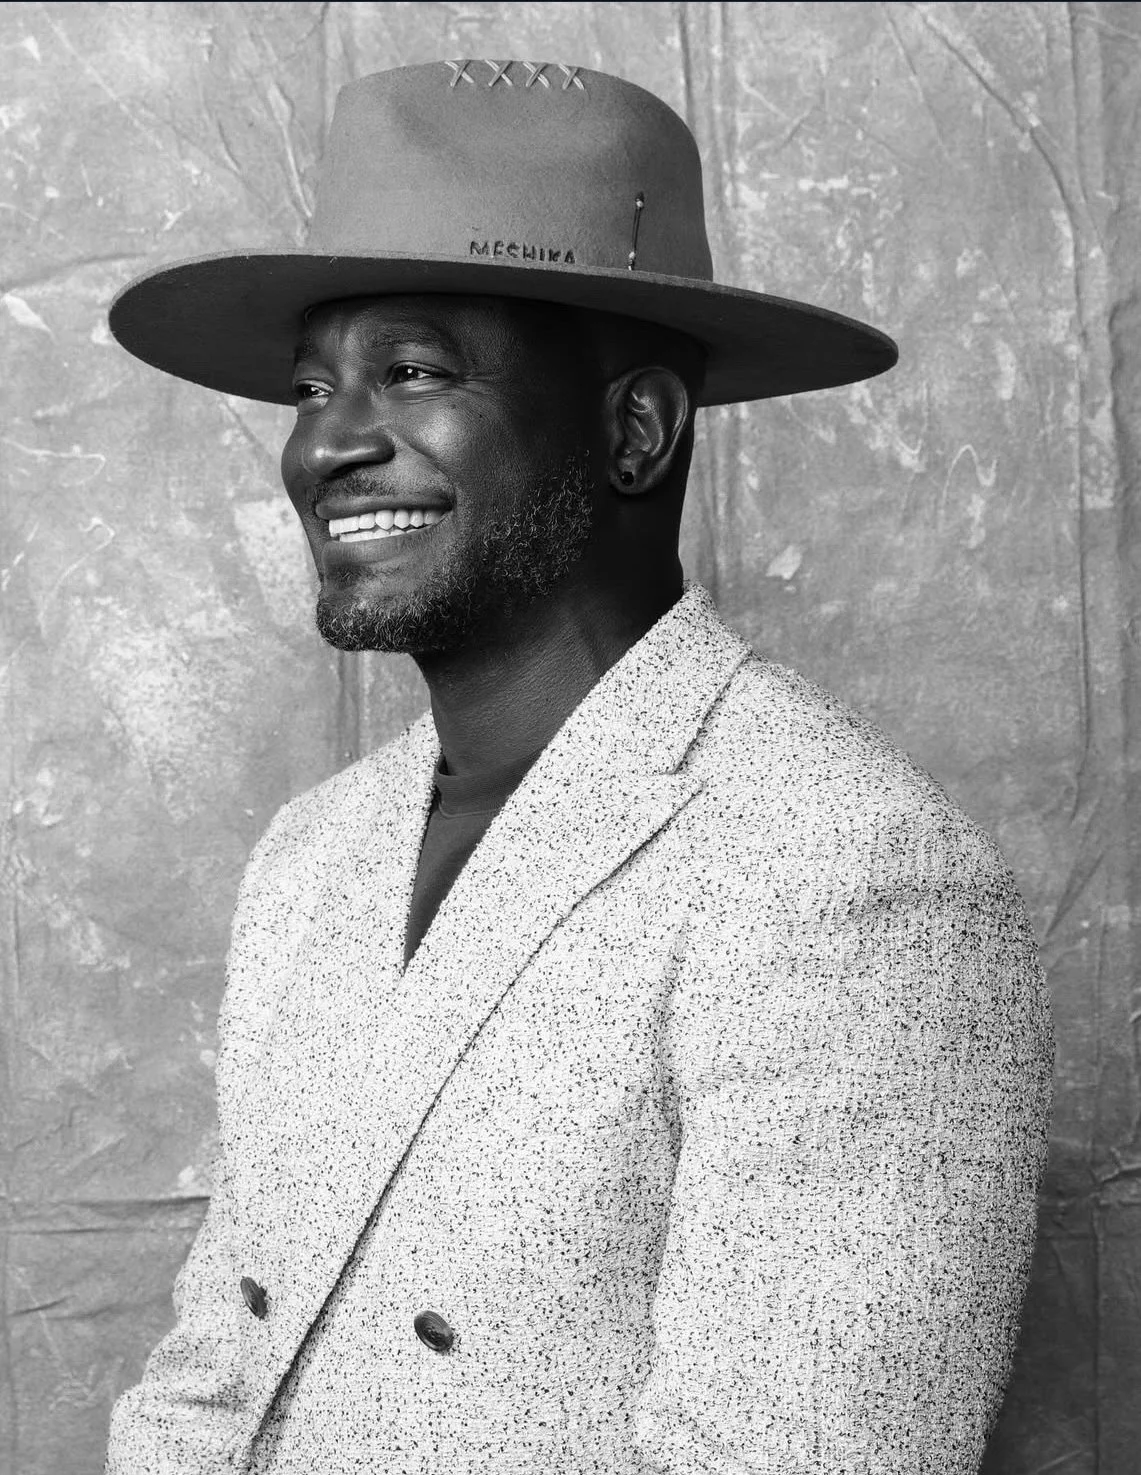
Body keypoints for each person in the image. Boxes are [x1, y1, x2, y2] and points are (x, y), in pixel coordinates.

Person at [104, 60, 1054, 1475]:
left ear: (635, 428)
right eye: (313, 385)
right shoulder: (311, 855)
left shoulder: (852, 878)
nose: (326, 444)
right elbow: (211, 1378)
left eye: (415, 370)